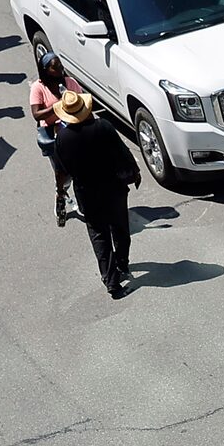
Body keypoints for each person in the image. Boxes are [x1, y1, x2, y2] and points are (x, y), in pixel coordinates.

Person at [50, 90, 142, 296]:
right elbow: (123, 152)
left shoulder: (62, 138)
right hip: (113, 188)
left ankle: (111, 281)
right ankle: (122, 264)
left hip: (86, 193)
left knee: (99, 235)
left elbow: (61, 171)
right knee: (120, 228)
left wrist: (59, 192)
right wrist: (135, 173)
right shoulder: (103, 127)